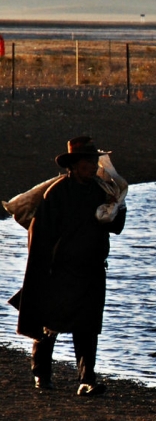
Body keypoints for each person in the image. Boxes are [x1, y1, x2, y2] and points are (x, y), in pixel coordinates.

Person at [14, 137, 127, 396]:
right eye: (87, 161)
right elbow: (41, 235)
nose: (92, 165)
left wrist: (118, 208)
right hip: (60, 270)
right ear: (74, 166)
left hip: (92, 270)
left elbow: (116, 227)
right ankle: (41, 374)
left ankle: (86, 379)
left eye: (93, 161)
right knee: (49, 324)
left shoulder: (103, 191)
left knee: (88, 326)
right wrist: (43, 270)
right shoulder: (56, 194)